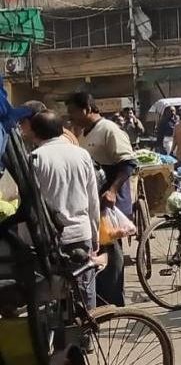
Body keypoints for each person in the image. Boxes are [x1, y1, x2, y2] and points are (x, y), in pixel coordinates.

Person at [68, 92, 138, 307]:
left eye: (73, 111)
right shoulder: (82, 134)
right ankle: (99, 299)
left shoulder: (108, 129)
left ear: (87, 109)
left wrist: (113, 191)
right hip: (94, 200)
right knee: (98, 251)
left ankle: (113, 300)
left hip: (111, 201)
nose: (71, 116)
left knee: (111, 250)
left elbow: (128, 163)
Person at [27, 110, 100, 309]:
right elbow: (93, 199)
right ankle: (85, 337)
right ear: (62, 130)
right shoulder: (82, 154)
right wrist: (95, 236)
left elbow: (31, 206)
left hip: (51, 240)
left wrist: (28, 242)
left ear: (35, 133)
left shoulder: (35, 158)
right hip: (81, 234)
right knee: (84, 294)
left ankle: (59, 337)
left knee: (53, 298)